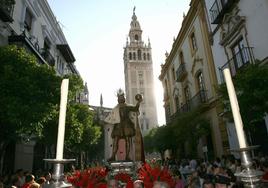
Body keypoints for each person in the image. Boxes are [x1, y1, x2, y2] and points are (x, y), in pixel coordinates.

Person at [105, 89, 142, 161]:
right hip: (118, 126)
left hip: (126, 125)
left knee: (128, 140)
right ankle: (113, 156)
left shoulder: (127, 106)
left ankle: (127, 156)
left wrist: (138, 102)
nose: (120, 99)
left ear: (124, 98)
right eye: (119, 97)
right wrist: (104, 121)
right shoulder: (115, 109)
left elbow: (135, 108)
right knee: (115, 141)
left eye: (122, 97)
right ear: (118, 99)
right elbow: (110, 117)